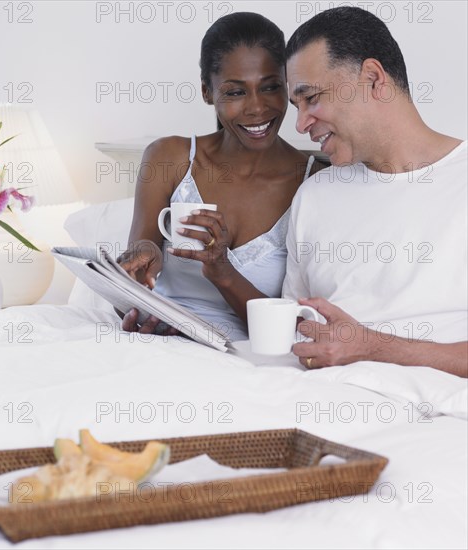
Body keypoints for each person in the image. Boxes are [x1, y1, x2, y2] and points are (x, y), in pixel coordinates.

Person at [282, 7, 467, 377]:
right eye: (296, 106)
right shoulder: (314, 196)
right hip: (311, 402)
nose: (301, 124)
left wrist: (372, 348)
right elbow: (295, 329)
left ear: (373, 78)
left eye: (312, 98)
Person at [118, 12, 323, 341]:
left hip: (246, 358)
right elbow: (134, 273)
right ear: (207, 92)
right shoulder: (169, 159)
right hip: (158, 343)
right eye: (235, 92)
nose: (257, 108)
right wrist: (136, 281)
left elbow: (296, 332)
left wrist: (223, 272)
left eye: (270, 87)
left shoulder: (314, 184)